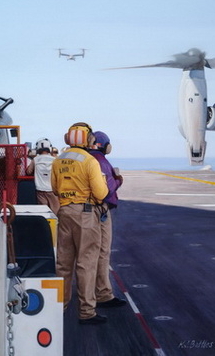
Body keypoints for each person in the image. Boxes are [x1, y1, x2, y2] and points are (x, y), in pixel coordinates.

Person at [51, 122, 109, 325]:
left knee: (63, 264)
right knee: (86, 263)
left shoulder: (58, 160)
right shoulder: (89, 160)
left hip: (64, 212)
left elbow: (55, 189)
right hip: (85, 214)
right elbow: (101, 194)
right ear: (88, 139)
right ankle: (86, 312)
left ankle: (60, 306)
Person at [89, 131, 126, 308]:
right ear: (105, 146)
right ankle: (102, 294)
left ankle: (83, 295)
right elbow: (107, 189)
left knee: (84, 254)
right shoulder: (101, 161)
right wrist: (118, 179)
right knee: (102, 252)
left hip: (81, 210)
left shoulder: (84, 159)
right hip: (100, 209)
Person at [26, 138, 60, 215]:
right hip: (52, 190)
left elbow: (28, 172)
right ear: (49, 148)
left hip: (40, 190)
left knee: (43, 213)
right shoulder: (55, 160)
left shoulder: (35, 159)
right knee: (55, 213)